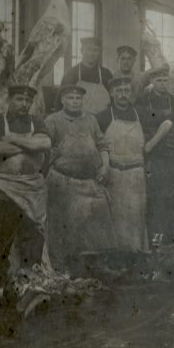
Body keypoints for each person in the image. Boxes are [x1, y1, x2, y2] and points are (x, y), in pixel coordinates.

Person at [0, 85, 51, 304]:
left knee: (33, 239)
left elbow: (45, 143)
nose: (24, 104)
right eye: (19, 99)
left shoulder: (36, 122)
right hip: (4, 189)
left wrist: (11, 139)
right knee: (1, 240)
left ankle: (29, 287)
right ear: (9, 99)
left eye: (27, 101)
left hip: (32, 190)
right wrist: (27, 146)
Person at [44, 85, 117, 275]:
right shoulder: (53, 120)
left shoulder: (90, 120)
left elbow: (103, 145)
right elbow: (45, 150)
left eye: (78, 98)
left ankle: (100, 265)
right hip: (63, 182)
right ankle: (64, 270)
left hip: (90, 181)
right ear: (62, 100)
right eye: (70, 98)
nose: (75, 102)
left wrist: (105, 165)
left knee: (101, 221)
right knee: (64, 228)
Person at [97, 76, 172, 254]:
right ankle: (117, 257)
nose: (123, 95)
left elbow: (168, 122)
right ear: (112, 93)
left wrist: (150, 145)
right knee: (114, 218)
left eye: (126, 91)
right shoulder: (104, 116)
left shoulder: (141, 113)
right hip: (114, 175)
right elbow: (96, 142)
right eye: (119, 91)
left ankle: (137, 257)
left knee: (136, 217)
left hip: (136, 174)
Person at [136, 64, 174, 244]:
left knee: (171, 196)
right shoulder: (142, 101)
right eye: (158, 80)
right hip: (150, 157)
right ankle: (152, 235)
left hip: (172, 157)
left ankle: (170, 237)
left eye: (165, 80)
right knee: (152, 196)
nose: (162, 84)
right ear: (151, 81)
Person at [59, 36, 113, 115]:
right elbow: (60, 102)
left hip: (102, 121)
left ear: (99, 53)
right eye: (88, 49)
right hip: (78, 121)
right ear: (82, 51)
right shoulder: (71, 73)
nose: (91, 54)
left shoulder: (106, 74)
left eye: (95, 50)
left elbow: (113, 99)